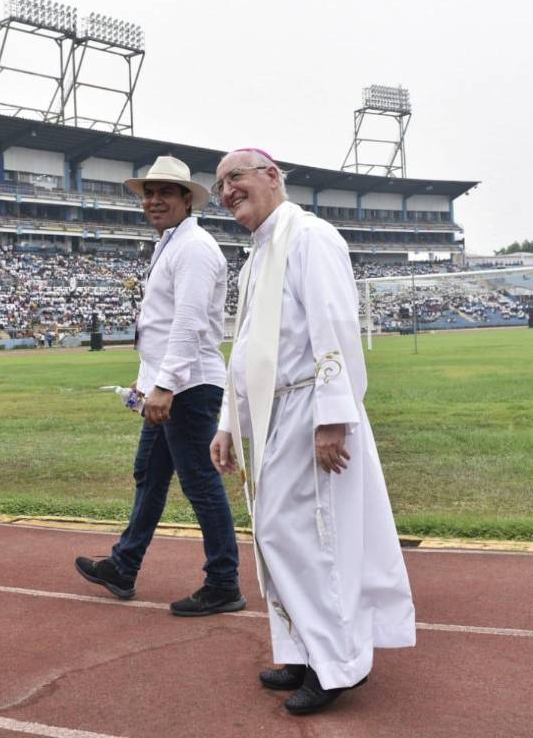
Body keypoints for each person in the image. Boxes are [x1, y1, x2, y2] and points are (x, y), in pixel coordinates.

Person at [209, 148, 415, 715]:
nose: (226, 191)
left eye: (236, 177)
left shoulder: (310, 238)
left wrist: (332, 418)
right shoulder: (257, 258)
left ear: (272, 176)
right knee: (278, 537)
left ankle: (338, 663)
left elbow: (335, 326)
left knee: (313, 539)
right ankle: (302, 648)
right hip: (274, 416)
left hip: (308, 411)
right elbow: (245, 351)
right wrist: (230, 422)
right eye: (220, 184)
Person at [74, 156, 244, 617]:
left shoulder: (193, 248)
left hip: (188, 386)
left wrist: (165, 385)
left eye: (165, 192)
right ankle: (124, 566)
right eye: (149, 192)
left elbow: (188, 324)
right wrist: (149, 379)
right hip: (171, 382)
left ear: (187, 199)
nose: (153, 200)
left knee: (200, 483)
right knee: (149, 475)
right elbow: (168, 323)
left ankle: (224, 582)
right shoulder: (172, 244)